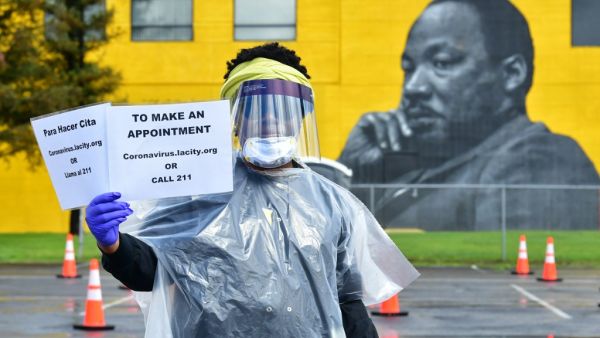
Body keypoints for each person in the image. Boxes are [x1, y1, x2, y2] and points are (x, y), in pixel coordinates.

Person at [86, 42, 419, 338]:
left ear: (301, 117)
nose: (269, 121)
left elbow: (347, 299)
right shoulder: (198, 191)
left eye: (282, 111)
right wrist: (113, 243)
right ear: (233, 118)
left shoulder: (331, 203)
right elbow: (152, 272)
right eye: (255, 110)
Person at [339, 0, 599, 230]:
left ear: (512, 74)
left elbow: (506, 277)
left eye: (442, 63)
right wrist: (350, 170)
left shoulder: (535, 159)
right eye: (409, 68)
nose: (413, 87)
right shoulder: (428, 165)